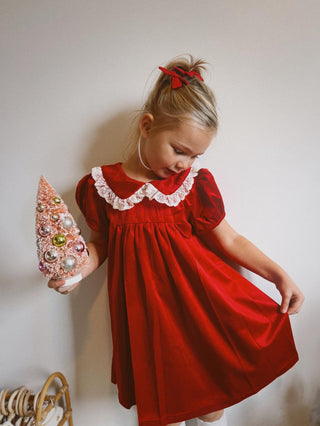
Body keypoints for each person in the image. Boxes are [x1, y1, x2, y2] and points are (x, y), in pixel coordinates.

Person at [48, 55, 304, 426]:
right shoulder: (101, 187)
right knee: (164, 409)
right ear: (147, 126)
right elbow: (100, 244)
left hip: (200, 309)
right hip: (146, 318)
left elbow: (229, 240)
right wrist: (78, 269)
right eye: (179, 150)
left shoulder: (192, 185)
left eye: (195, 155)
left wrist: (277, 275)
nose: (185, 163)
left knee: (212, 408)